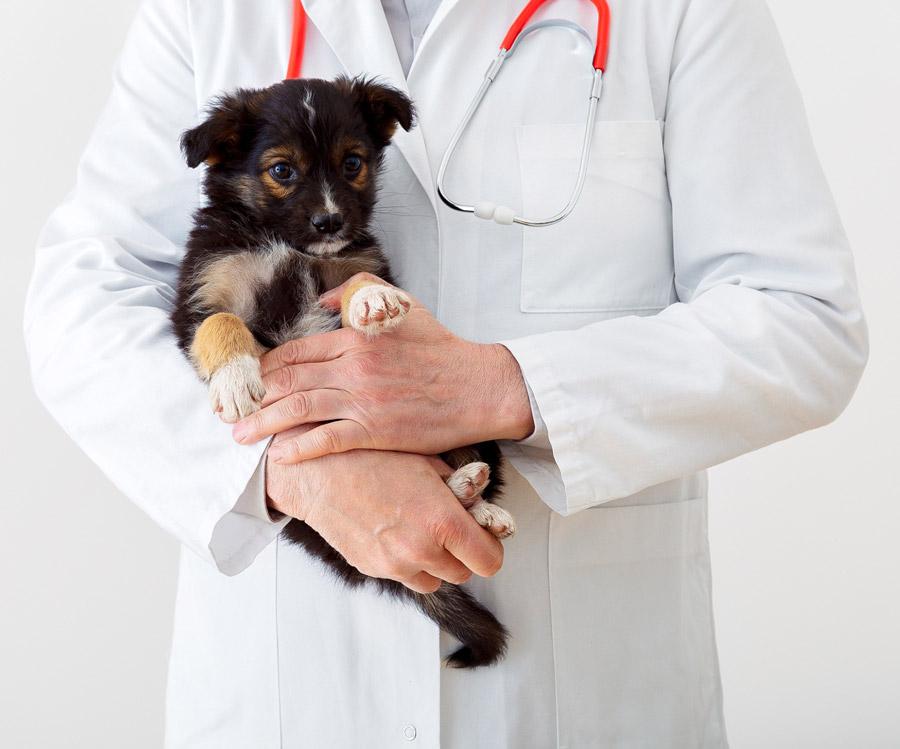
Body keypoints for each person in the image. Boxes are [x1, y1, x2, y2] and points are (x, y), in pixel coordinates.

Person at [24, 0, 867, 746]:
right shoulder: (202, 12)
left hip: (582, 693)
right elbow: (80, 295)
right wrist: (290, 470)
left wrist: (508, 387)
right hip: (289, 688)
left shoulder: (684, 11)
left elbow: (805, 317)